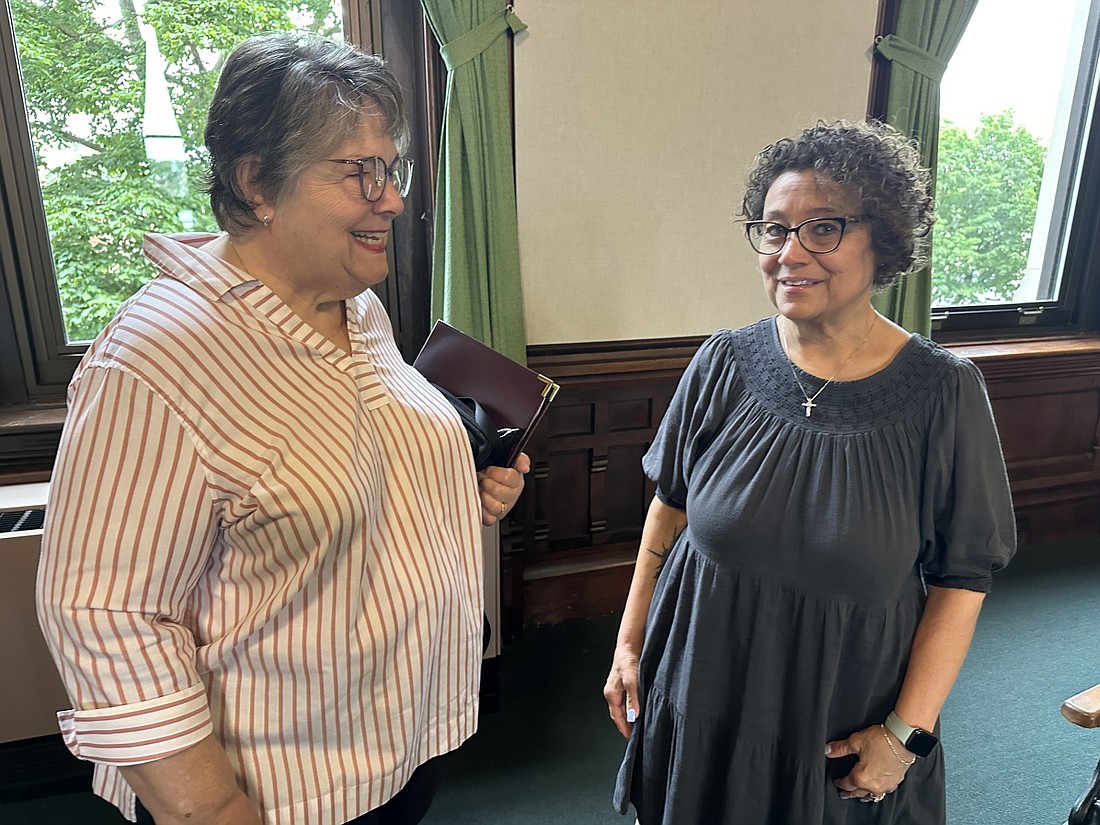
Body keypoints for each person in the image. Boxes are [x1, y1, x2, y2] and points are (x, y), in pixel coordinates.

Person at [36, 32, 528, 825]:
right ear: (255, 182)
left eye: (391, 167)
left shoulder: (357, 306)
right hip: (279, 792)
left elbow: (333, 478)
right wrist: (213, 810)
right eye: (359, 171)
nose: (393, 198)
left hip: (398, 746)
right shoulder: (157, 358)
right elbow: (105, 614)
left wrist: (459, 488)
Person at [603, 119, 1016, 824]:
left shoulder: (944, 392)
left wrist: (904, 734)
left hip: (837, 712)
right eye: (772, 229)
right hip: (701, 679)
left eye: (822, 228)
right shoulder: (724, 362)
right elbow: (669, 508)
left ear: (881, 239)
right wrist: (630, 642)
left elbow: (962, 579)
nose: (789, 252)